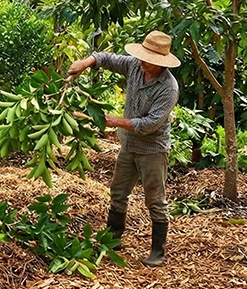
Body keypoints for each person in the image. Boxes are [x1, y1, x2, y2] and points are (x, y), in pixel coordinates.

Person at [68, 30, 180, 267]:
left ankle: (157, 252)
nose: (142, 63)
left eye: (148, 60)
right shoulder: (135, 66)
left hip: (152, 150)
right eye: (142, 57)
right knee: (118, 192)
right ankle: (113, 240)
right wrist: (85, 63)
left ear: (161, 63)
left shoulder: (169, 88)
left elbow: (150, 124)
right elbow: (106, 58)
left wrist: (115, 121)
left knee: (155, 200)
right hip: (129, 145)